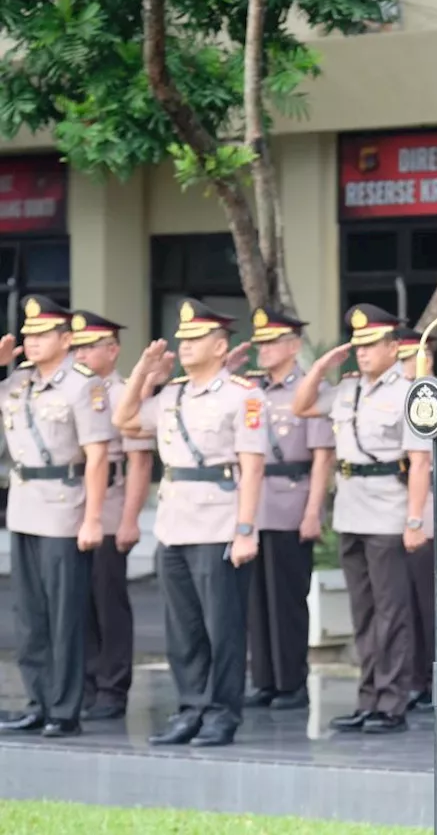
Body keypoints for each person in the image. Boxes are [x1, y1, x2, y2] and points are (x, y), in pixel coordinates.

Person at [112, 299, 267, 748]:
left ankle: (222, 713)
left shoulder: (243, 396)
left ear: (221, 347)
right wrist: (142, 372)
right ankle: (191, 709)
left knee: (223, 629)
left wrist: (245, 530)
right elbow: (123, 419)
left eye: (195, 339)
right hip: (175, 526)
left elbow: (252, 468)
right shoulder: (171, 395)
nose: (184, 346)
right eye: (182, 340)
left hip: (219, 526)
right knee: (183, 629)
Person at [292, 305, 432, 734]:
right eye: (359, 346)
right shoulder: (347, 390)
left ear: (394, 347)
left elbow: (419, 461)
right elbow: (301, 406)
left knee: (392, 612)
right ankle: (368, 697)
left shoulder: (411, 391)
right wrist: (319, 368)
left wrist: (414, 520)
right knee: (363, 612)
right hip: (351, 511)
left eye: (372, 345)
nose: (364, 354)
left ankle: (391, 702)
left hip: (389, 512)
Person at [0, 297, 113, 739]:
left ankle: (65, 708)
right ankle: (38, 700)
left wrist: (94, 518)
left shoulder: (83, 386)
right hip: (25, 508)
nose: (32, 341)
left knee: (65, 615)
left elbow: (98, 456)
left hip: (66, 509)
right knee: (30, 616)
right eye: (28, 334)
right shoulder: (16, 383)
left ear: (66, 340)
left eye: (42, 334)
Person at [240, 307, 335, 711]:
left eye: (271, 342)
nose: (262, 349)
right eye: (259, 342)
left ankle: (292, 683)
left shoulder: (308, 391)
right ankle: (264, 679)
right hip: (255, 506)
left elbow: (322, 457)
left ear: (294, 347)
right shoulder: (251, 391)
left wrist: (313, 511)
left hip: (290, 502)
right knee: (256, 601)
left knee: (287, 600)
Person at [70, 310, 156, 722]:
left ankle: (112, 686)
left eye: (91, 346)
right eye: (78, 346)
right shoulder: (71, 391)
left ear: (113, 350)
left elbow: (139, 464)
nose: (83, 353)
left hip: (109, 504)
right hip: (69, 508)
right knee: (76, 602)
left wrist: (129, 518)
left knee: (108, 601)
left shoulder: (124, 395)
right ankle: (84, 684)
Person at [393, 324, 437, 712]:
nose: (404, 365)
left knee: (434, 606)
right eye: (401, 358)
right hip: (400, 508)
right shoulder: (397, 398)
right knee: (406, 604)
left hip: (432, 509)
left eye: (409, 358)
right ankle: (415, 680)